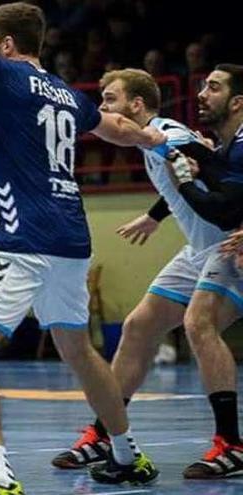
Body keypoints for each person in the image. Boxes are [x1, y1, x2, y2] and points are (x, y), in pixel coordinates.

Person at [0, 2, 167, 493]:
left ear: (6, 45)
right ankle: (127, 456)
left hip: (26, 239)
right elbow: (120, 130)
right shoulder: (65, 92)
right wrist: (160, 139)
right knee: (78, 350)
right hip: (71, 238)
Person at [52, 68, 240, 477]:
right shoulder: (153, 142)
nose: (103, 108)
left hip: (229, 244)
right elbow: (182, 181)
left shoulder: (168, 136)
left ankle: (231, 444)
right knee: (138, 326)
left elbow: (207, 171)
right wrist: (156, 214)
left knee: (199, 324)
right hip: (198, 248)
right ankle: (104, 433)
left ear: (137, 106)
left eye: (110, 100)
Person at [163, 64, 243, 478]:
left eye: (213, 87)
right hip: (230, 247)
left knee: (199, 321)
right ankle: (230, 443)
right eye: (201, 85)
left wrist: (185, 182)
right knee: (187, 321)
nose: (200, 93)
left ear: (237, 102)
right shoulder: (228, 147)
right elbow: (229, 188)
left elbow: (223, 206)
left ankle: (231, 444)